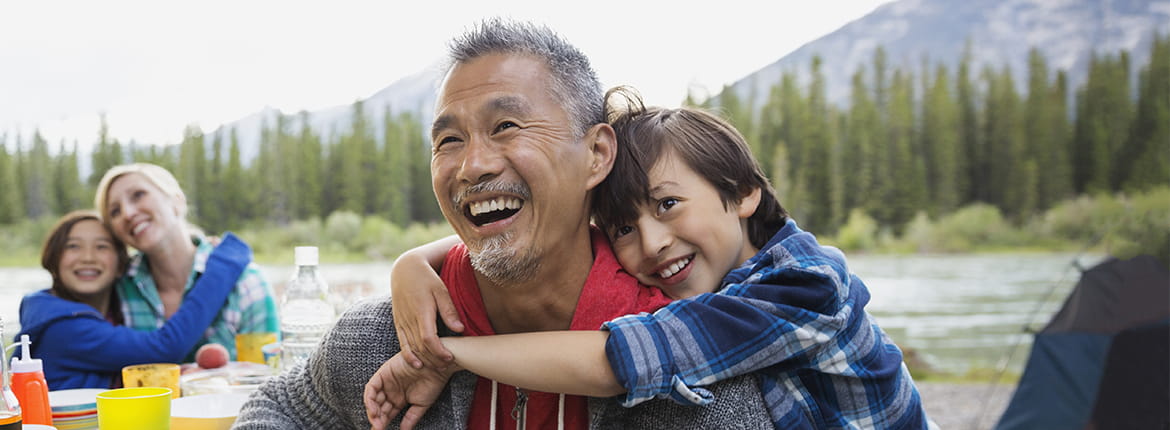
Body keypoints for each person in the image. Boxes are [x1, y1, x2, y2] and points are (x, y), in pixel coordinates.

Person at [234, 18, 772, 430]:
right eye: (448, 140)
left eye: (506, 126)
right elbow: (278, 405)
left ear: (596, 155)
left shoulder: (690, 365)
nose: (472, 165)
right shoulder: (386, 340)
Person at [370, 89, 930, 429]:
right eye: (623, 228)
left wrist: (450, 356)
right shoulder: (733, 274)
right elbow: (538, 231)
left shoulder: (804, 288)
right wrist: (413, 263)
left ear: (742, 194)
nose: (653, 242)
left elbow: (618, 361)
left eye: (668, 204)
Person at [15, 210, 254, 390]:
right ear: (52, 259)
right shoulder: (62, 325)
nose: (87, 257)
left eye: (102, 247)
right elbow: (164, 347)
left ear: (121, 265)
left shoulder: (119, 310)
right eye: (73, 247)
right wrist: (223, 266)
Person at [94, 162, 279, 360]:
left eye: (138, 195)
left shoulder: (247, 282)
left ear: (177, 201)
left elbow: (268, 376)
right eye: (115, 211)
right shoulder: (117, 289)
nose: (128, 213)